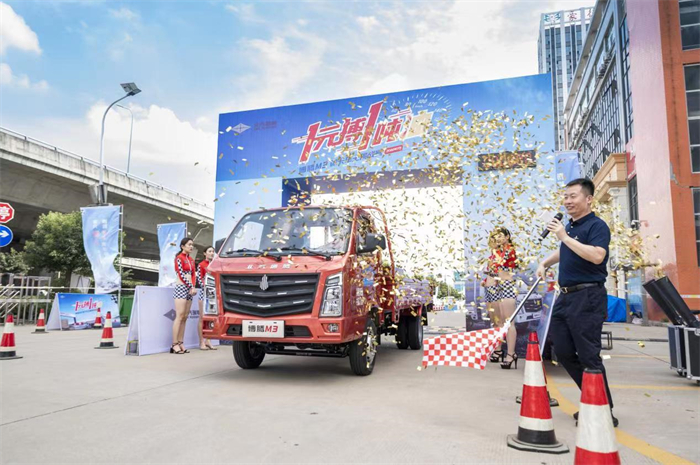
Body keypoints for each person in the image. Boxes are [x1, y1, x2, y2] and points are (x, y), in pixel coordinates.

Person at [536, 178, 618, 427]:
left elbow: (596, 255)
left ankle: (603, 410)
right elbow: (565, 251)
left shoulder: (597, 226)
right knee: (562, 350)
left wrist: (563, 235)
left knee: (588, 355)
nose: (568, 201)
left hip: (588, 297)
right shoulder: (570, 227)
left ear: (588, 199)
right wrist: (545, 263)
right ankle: (593, 399)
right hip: (566, 296)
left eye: (573, 196)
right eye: (566, 197)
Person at [483, 227, 519, 369]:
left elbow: (506, 268)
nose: (497, 238)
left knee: (508, 321)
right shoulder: (493, 253)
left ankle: (511, 354)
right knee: (496, 321)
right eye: (495, 235)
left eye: (500, 235)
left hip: (506, 286)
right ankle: (498, 350)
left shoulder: (509, 250)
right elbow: (491, 270)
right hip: (491, 287)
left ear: (507, 236)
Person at [172, 238, 197, 354]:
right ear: (182, 246)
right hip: (181, 287)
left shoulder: (191, 260)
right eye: (189, 245)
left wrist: (193, 286)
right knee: (180, 315)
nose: (191, 247)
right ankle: (174, 344)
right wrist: (191, 286)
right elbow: (181, 274)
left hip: (190, 288)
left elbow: (193, 274)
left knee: (185, 316)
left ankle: (181, 342)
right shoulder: (179, 258)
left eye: (192, 245)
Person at [196, 246, 217, 351]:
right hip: (204, 294)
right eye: (209, 251)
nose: (211, 253)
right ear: (204, 253)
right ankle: (201, 342)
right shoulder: (201, 265)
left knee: (210, 318)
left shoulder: (215, 265)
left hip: (213, 295)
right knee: (202, 318)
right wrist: (206, 287)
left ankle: (208, 340)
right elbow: (199, 279)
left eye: (213, 251)